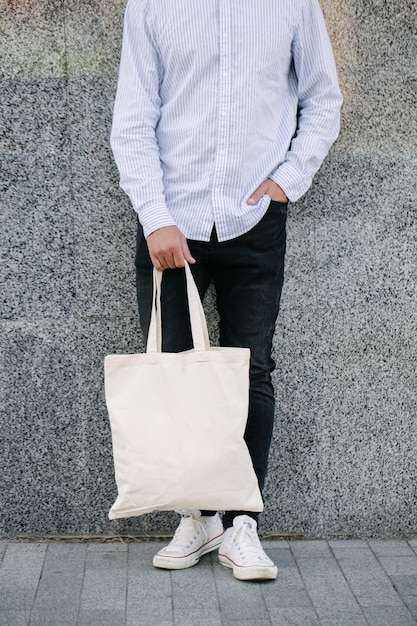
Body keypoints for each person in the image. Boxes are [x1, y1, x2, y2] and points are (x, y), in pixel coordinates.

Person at [111, 0, 342, 581]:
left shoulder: (292, 6)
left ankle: (242, 525)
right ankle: (198, 517)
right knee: (178, 372)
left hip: (253, 221)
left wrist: (286, 182)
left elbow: (323, 100)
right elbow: (133, 117)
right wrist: (154, 216)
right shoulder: (151, 6)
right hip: (171, 220)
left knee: (252, 370)